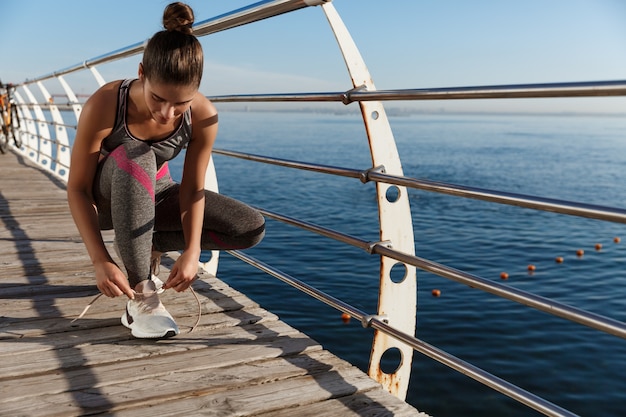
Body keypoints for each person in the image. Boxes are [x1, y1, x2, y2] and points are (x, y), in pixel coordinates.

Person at [67, 2, 265, 339]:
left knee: (248, 228)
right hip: (108, 198)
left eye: (181, 104)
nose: (166, 113)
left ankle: (149, 243)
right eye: (158, 98)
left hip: (157, 192)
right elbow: (78, 189)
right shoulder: (106, 102)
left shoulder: (204, 115)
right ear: (142, 73)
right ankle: (141, 295)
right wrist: (100, 259)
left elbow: (191, 190)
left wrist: (192, 250)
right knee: (136, 153)